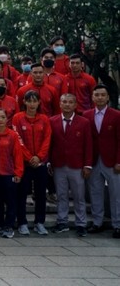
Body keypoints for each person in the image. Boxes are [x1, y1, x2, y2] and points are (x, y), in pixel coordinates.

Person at [49, 93, 92, 236]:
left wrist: (87, 165)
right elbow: (50, 144)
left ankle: (81, 223)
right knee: (61, 195)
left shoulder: (84, 122)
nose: (67, 104)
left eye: (70, 102)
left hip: (77, 165)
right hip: (59, 164)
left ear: (75, 105)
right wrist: (49, 162)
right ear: (60, 104)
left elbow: (88, 145)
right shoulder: (52, 121)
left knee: (79, 196)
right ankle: (62, 221)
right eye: (64, 102)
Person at [13, 90, 52, 235]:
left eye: (34, 101)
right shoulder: (18, 118)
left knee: (41, 194)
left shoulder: (44, 119)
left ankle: (39, 222)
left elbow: (47, 139)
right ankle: (22, 222)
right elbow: (18, 139)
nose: (32, 104)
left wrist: (39, 157)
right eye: (29, 101)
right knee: (21, 193)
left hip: (40, 163)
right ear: (24, 102)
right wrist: (29, 157)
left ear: (39, 103)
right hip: (24, 163)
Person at [83, 84, 120, 237]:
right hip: (94, 160)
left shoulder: (117, 115)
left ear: (107, 97)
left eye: (102, 95)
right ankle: (97, 222)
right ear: (92, 97)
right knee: (95, 192)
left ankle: (117, 224)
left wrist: (119, 161)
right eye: (96, 95)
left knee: (116, 194)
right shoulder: (86, 115)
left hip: (112, 161)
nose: (99, 98)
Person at [0, 108, 24, 238]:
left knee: (11, 201)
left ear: (7, 120)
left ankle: (9, 226)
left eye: (3, 117)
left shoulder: (12, 135)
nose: (0, 120)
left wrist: (18, 173)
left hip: (9, 174)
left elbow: (17, 155)